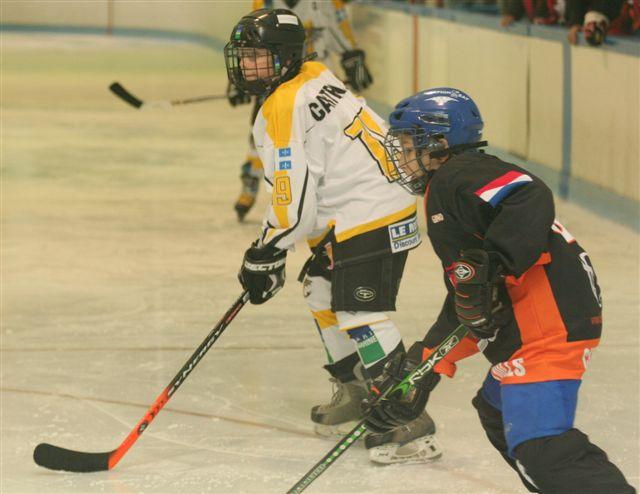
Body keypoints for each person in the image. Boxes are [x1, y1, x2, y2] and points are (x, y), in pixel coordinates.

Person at [362, 87, 635, 492]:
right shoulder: (452, 191)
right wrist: (423, 366)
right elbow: (471, 300)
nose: (401, 158)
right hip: (551, 316)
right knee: (497, 410)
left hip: (548, 328)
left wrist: (493, 266)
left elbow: (528, 193)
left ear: (438, 146)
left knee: (543, 449)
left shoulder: (458, 175)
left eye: (407, 146)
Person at [224, 8, 441, 464]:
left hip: (370, 213)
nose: (246, 66)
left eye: (257, 57)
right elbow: (302, 195)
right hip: (377, 202)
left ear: (283, 58)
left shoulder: (280, 108)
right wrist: (271, 244)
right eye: (243, 56)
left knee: (358, 310)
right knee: (319, 290)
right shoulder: (314, 73)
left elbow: (295, 209)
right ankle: (357, 391)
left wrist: (265, 251)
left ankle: (406, 419)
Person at [229, 0, 373, 222]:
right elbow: (251, 42)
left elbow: (339, 25)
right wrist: (242, 76)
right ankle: (252, 180)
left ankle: (329, 192)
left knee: (324, 138)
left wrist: (352, 55)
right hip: (276, 80)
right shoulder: (265, 2)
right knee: (265, 134)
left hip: (317, 77)